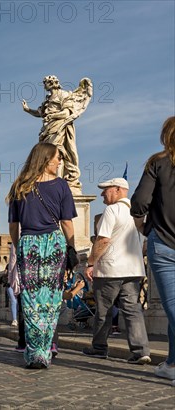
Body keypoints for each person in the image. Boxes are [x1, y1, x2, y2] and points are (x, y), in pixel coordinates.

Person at [8, 142, 77, 369]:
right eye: (57, 158)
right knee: (51, 299)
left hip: (29, 245)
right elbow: (66, 222)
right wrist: (72, 247)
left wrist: (21, 247)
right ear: (46, 160)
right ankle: (44, 351)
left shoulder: (19, 186)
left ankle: (34, 351)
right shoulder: (61, 186)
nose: (59, 162)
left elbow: (13, 225)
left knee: (30, 301)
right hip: (53, 244)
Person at [81, 177, 151, 364]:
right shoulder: (137, 213)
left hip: (110, 271)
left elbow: (103, 240)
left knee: (103, 310)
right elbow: (143, 243)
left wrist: (90, 262)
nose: (103, 193)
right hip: (133, 269)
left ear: (119, 190)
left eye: (106, 190)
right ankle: (140, 351)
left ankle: (99, 348)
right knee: (133, 311)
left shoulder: (112, 210)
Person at [131, 116, 175, 380]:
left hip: (164, 244)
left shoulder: (157, 162)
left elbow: (138, 203)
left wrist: (144, 228)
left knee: (172, 306)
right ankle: (171, 364)